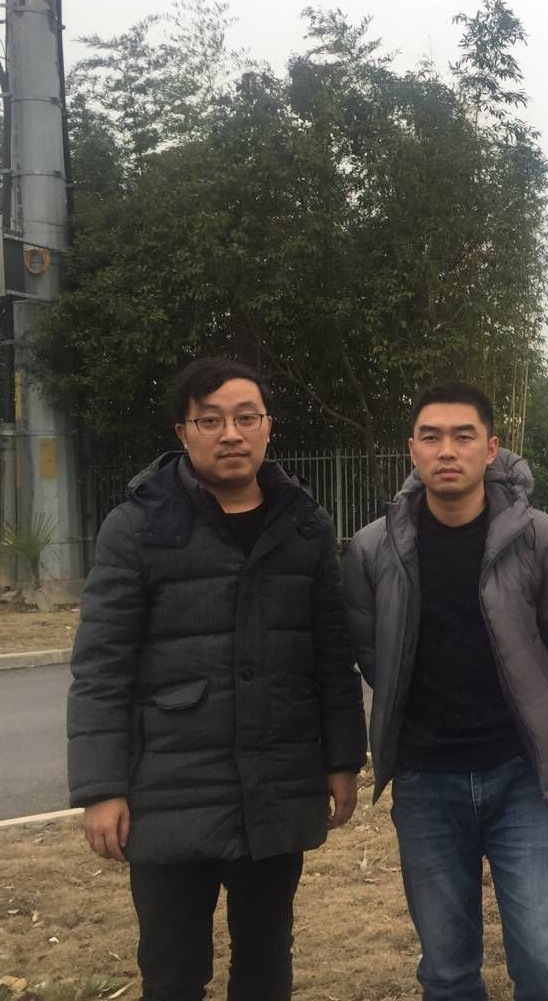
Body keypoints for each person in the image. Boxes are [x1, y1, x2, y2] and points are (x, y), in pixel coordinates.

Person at [66, 357, 367, 1001]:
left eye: (246, 417)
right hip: (169, 792)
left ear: (267, 426)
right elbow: (101, 668)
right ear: (184, 432)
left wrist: (343, 760)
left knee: (266, 963)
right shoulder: (138, 527)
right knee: (173, 972)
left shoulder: (304, 525)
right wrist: (101, 788)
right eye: (211, 420)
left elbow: (330, 655)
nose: (231, 434)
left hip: (276, 786)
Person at [343, 382, 548, 1001]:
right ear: (412, 450)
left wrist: (527, 707)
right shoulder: (373, 549)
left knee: (545, 964)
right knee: (447, 970)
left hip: (520, 776)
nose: (446, 450)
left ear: (491, 448)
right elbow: (374, 655)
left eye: (463, 436)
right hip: (425, 782)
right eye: (431, 437)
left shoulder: (542, 539)